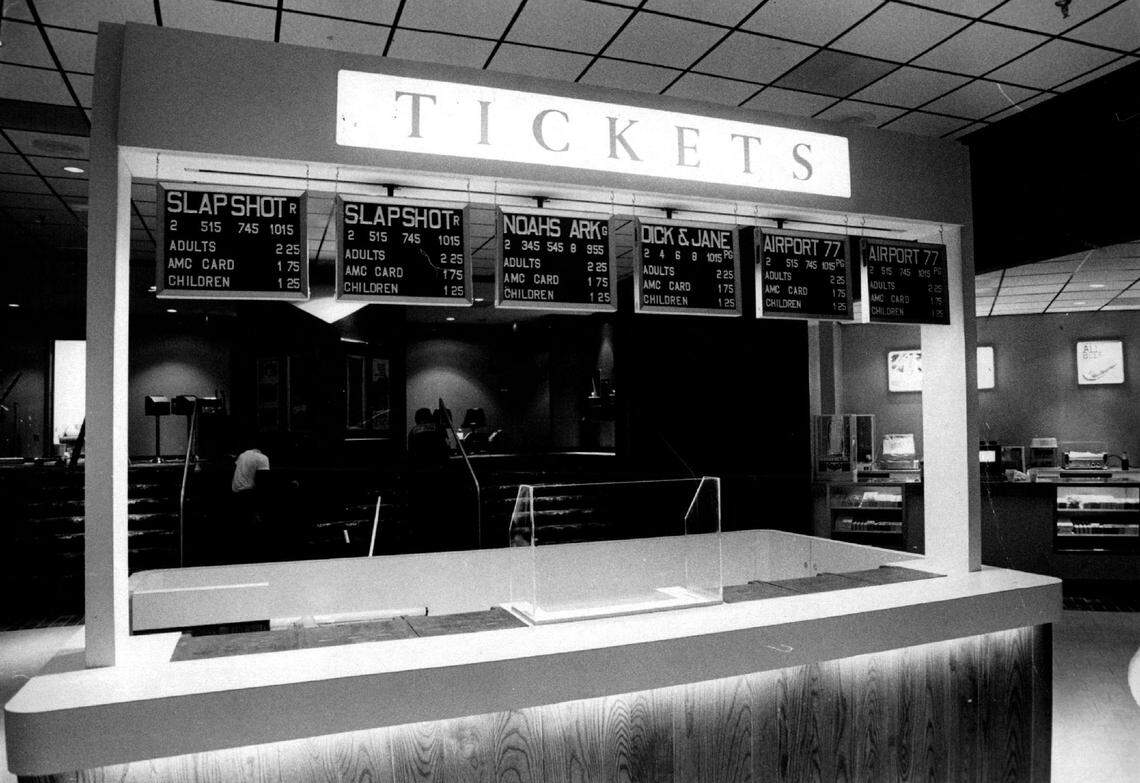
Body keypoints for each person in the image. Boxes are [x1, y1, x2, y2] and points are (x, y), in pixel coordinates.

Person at [231, 445, 269, 562]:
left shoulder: (243, 455)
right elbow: (263, 481)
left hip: (236, 491)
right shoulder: (262, 458)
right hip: (249, 493)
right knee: (254, 524)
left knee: (242, 525)